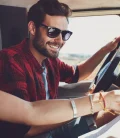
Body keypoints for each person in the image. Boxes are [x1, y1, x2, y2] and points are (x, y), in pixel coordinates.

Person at [0, 0, 120, 137]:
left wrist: (107, 49)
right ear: (32, 28)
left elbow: (78, 74)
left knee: (111, 114)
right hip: (34, 134)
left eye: (65, 34)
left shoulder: (50, 61)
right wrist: (85, 106)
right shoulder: (11, 60)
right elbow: (23, 129)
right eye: (53, 32)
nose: (60, 40)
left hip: (48, 127)